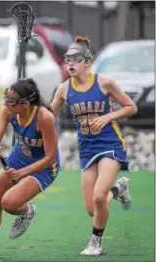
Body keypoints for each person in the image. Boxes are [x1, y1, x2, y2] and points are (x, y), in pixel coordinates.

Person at [51, 36, 136, 256]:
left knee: (99, 197)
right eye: (67, 59)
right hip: (87, 148)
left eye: (76, 59)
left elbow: (130, 107)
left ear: (87, 62)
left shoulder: (104, 82)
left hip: (110, 143)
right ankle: (119, 189)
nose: (70, 63)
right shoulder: (63, 89)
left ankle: (96, 242)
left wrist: (108, 117)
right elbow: (50, 115)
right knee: (92, 208)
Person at [0, 78, 60, 259]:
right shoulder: (8, 111)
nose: (6, 105)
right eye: (6, 100)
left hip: (44, 167)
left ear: (25, 104)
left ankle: (27, 211)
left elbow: (50, 157)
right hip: (19, 157)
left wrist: (22, 173)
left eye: (11, 102)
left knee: (8, 203)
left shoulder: (44, 118)